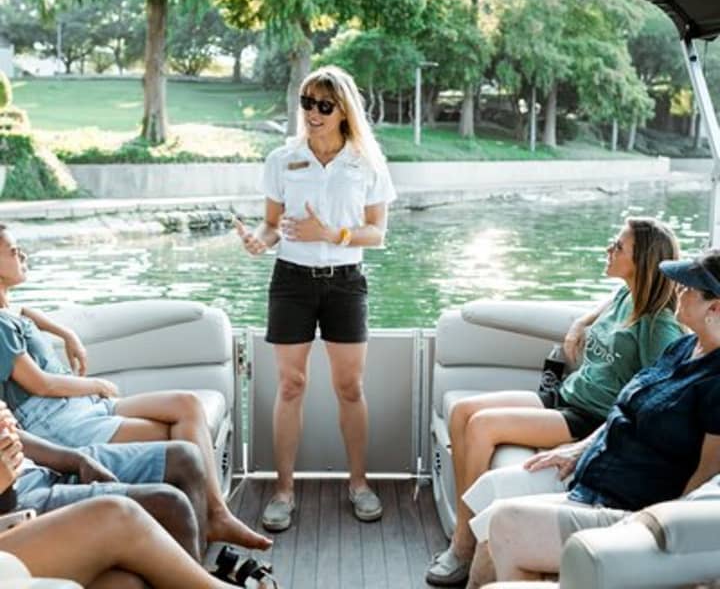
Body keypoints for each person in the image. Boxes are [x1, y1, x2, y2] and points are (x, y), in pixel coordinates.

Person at [427, 217, 683, 586]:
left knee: (481, 426)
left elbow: (656, 397)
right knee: (463, 411)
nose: (608, 250)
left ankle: (464, 545)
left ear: (642, 261)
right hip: (565, 395)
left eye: (618, 247)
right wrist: (580, 323)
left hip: (591, 417)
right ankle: (465, 527)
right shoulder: (626, 295)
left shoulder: (658, 326)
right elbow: (602, 309)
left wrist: (592, 444)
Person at [0, 224, 271, 552]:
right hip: (57, 422)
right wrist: (95, 384)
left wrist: (67, 335)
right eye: (13, 251)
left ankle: (214, 516)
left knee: (187, 405)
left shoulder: (9, 311)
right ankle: (206, 520)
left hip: (78, 407)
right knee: (172, 436)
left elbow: (26, 314)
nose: (23, 255)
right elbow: (41, 384)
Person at [481, 249, 720, 584]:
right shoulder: (682, 348)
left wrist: (654, 536)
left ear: (715, 307)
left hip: (631, 509)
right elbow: (626, 408)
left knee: (504, 524)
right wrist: (579, 449)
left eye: (688, 286)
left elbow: (705, 476)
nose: (677, 289)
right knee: (490, 516)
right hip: (596, 480)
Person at [236, 65, 396, 531]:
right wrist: (259, 241)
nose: (313, 112)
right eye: (307, 102)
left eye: (324, 105)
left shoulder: (366, 162)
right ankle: (283, 492)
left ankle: (359, 484)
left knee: (350, 388)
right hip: (291, 282)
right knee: (291, 385)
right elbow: (271, 224)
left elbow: (377, 233)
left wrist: (332, 233)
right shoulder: (282, 159)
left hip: (346, 283)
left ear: (344, 110)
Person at [0, 428, 271, 588]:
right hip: (13, 505)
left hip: (32, 472)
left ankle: (196, 574)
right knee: (132, 514)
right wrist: (4, 484)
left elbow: (10, 431)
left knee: (128, 582)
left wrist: (76, 459)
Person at [0, 399, 211, 561]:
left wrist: (77, 460)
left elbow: (12, 434)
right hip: (17, 499)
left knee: (185, 458)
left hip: (35, 468)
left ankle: (199, 569)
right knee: (170, 504)